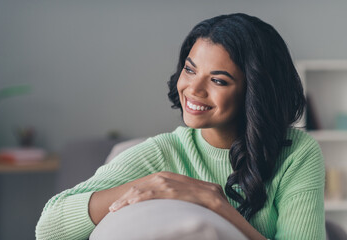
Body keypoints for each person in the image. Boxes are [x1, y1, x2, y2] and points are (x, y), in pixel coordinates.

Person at [36, 13, 325, 240]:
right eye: (190, 69)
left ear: (255, 92)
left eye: (218, 80)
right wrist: (149, 184)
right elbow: (48, 227)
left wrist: (218, 206)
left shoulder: (297, 153)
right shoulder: (163, 152)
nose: (193, 88)